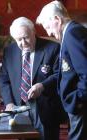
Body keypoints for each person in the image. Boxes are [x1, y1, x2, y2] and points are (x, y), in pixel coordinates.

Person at [0, 17, 66, 140]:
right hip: (18, 108)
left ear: (33, 31)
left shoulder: (53, 48)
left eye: (26, 37)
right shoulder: (10, 51)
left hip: (45, 108)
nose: (23, 43)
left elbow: (60, 75)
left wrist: (42, 85)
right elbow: (4, 79)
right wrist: (8, 103)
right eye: (18, 39)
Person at [36, 1, 87, 140]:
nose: (48, 33)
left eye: (47, 27)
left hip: (80, 107)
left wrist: (78, 99)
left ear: (57, 19)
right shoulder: (70, 32)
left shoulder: (72, 33)